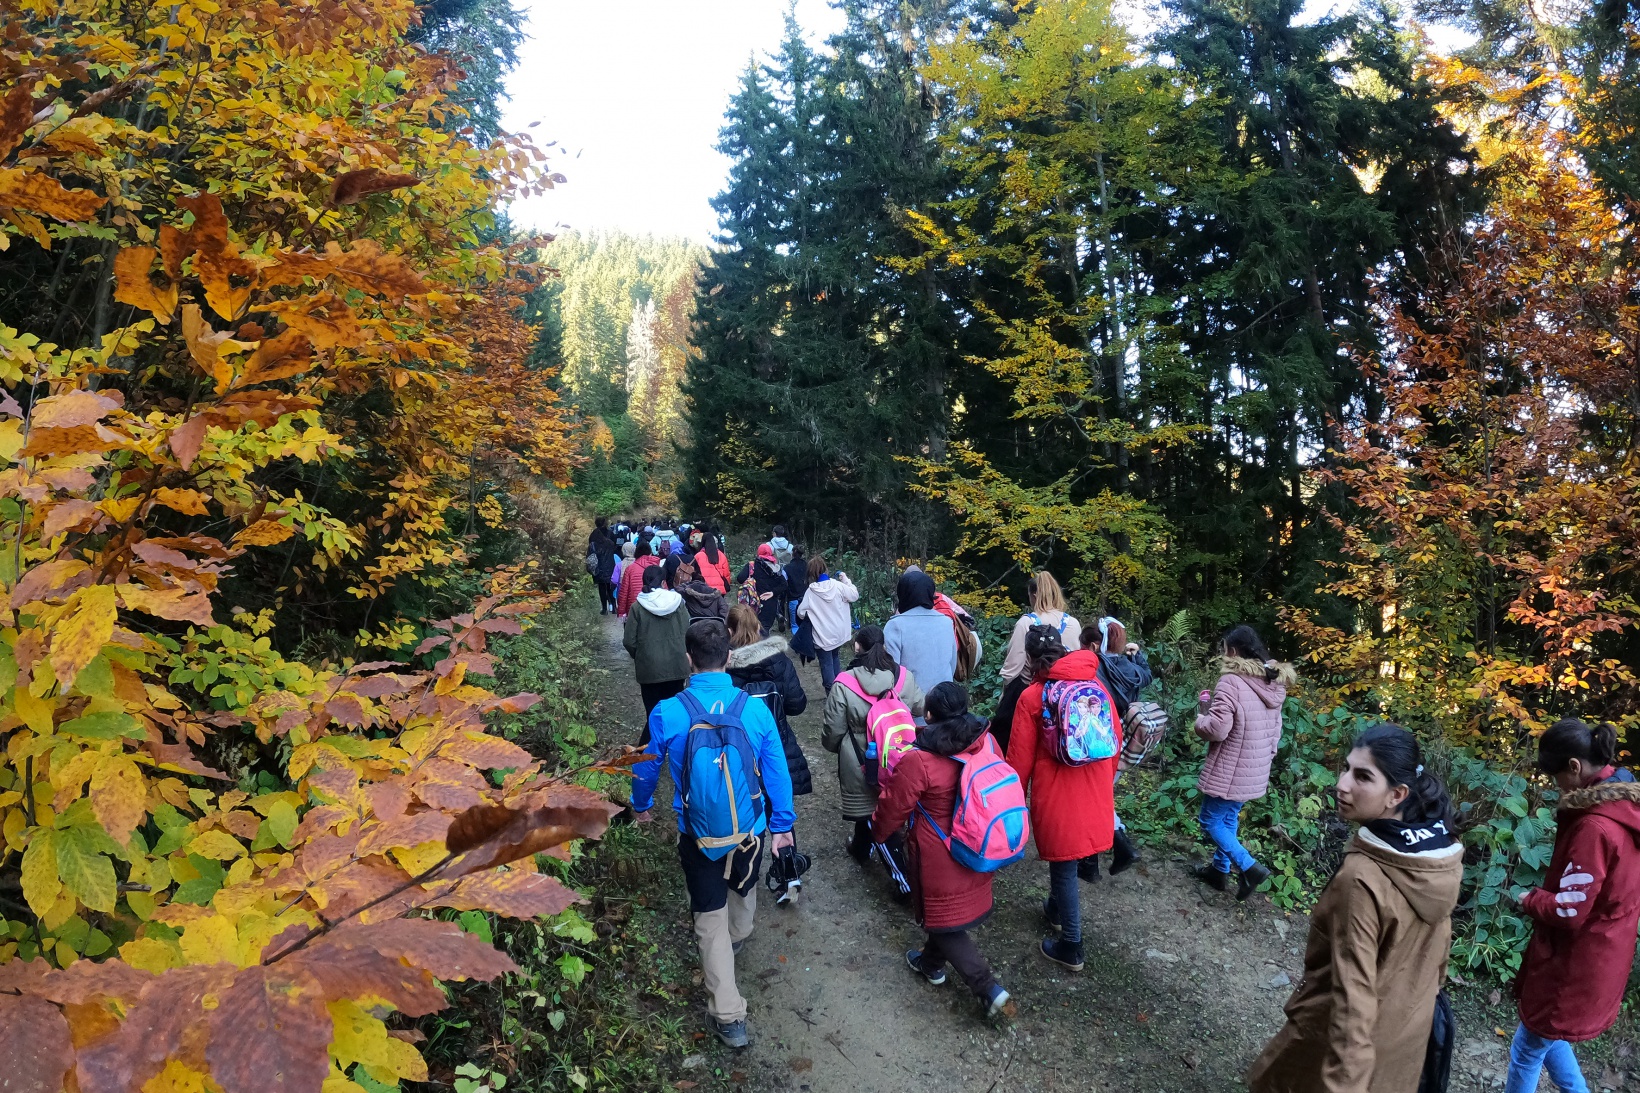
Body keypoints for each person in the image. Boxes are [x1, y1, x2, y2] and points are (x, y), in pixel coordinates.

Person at [1247, 724, 1464, 1093]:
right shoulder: (1441, 856)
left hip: (1342, 1047)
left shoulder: (1362, 877)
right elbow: (1439, 951)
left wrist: (1345, 1084)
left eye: (1362, 776)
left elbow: (1353, 995)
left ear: (1397, 794)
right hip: (1406, 1038)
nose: (1342, 784)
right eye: (1345, 769)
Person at [630, 621, 798, 1050]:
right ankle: (738, 936)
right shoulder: (755, 710)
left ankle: (729, 1016)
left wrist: (642, 806)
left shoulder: (668, 711)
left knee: (708, 915)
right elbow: (776, 771)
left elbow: (646, 767)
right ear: (728, 657)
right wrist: (783, 826)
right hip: (751, 830)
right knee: (743, 891)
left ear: (688, 659)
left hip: (697, 832)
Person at [1506, 719, 1640, 1093]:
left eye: (1556, 777)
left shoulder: (1595, 828)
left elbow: (1570, 911)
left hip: (1575, 961)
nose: (1556, 786)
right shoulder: (1628, 805)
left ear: (1575, 767)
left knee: (1527, 1049)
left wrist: (1531, 899)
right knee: (1548, 1034)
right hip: (1604, 950)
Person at [872, 682, 1012, 1018]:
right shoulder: (987, 741)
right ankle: (931, 963)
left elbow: (894, 807)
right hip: (979, 841)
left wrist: (877, 832)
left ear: (929, 715)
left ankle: (988, 988)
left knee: (940, 918)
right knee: (947, 913)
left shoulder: (919, 759)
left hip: (938, 851)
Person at [1007, 629, 1120, 972]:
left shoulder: (1032, 697)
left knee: (1064, 866)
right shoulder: (1096, 685)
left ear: (1029, 658)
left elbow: (1019, 760)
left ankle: (1071, 945)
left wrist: (1015, 799)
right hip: (1095, 784)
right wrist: (1106, 781)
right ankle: (1055, 911)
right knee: (1070, 856)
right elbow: (1113, 736)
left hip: (1057, 790)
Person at [1192, 624, 1295, 900]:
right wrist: (1267, 756)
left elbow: (1217, 729)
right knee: (1228, 817)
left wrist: (1200, 718)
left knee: (1210, 820)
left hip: (1231, 766)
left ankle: (1249, 867)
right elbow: (1277, 730)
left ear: (1233, 652)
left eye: (1225, 649)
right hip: (1256, 766)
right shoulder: (1273, 682)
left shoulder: (1231, 681)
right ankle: (1218, 870)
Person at [822, 624, 926, 862]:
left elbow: (834, 729)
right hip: (899, 753)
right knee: (891, 802)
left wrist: (836, 746)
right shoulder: (903, 676)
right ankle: (865, 847)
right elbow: (920, 706)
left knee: (867, 808)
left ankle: (877, 855)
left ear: (857, 647)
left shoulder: (843, 683)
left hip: (860, 757)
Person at [1081, 617, 1153, 879]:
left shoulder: (1096, 666)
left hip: (1098, 739)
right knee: (1099, 797)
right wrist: (1138, 657)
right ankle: (1093, 861)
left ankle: (1115, 850)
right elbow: (1146, 677)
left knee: (1093, 799)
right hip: (1123, 739)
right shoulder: (1131, 668)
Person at [726, 604, 813, 797]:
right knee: (781, 815)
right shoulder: (779, 661)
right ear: (758, 627)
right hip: (776, 740)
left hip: (737, 745)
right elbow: (797, 705)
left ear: (730, 631)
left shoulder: (722, 666)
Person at [623, 566, 690, 718]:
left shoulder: (637, 607)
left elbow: (629, 641)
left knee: (653, 715)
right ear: (664, 582)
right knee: (674, 713)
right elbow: (688, 631)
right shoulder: (678, 603)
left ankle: (651, 741)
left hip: (649, 668)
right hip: (676, 665)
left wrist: (642, 654)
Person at [990, 624, 1065, 755]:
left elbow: (1019, 751)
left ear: (1028, 657)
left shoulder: (1029, 696)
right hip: (1097, 769)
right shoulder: (1091, 682)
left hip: (1051, 771)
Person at [1000, 572, 1082, 683]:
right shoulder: (1073, 623)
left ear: (1034, 596)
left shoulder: (1027, 623)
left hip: (1034, 689)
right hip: (1066, 691)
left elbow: (1012, 669)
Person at [884, 569, 958, 692]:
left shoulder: (895, 626)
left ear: (902, 593)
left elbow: (891, 673)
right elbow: (952, 665)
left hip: (909, 704)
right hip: (943, 702)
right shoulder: (946, 623)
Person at [796, 555, 859, 694]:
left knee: (826, 663)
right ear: (825, 569)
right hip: (839, 633)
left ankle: (831, 693)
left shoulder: (811, 592)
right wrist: (845, 578)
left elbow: (801, 612)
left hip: (822, 636)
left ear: (811, 573)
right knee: (835, 657)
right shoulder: (838, 585)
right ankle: (840, 689)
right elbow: (854, 595)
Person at [737, 543, 788, 633]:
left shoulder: (752, 565)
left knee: (752, 631)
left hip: (753, 603)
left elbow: (740, 578)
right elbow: (784, 584)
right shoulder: (776, 568)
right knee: (765, 630)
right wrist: (773, 592)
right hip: (770, 604)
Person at [615, 539, 659, 619]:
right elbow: (664, 588)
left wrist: (621, 612)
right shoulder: (658, 568)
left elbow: (624, 591)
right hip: (654, 607)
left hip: (634, 608)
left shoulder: (630, 569)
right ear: (650, 553)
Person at [589, 519, 618, 615]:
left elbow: (590, 554)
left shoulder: (593, 539)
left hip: (599, 567)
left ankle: (604, 609)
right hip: (610, 565)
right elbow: (615, 548)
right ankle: (614, 606)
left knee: (601, 588)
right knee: (610, 587)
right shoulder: (610, 541)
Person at [694, 532, 732, 596]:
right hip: (719, 590)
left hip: (704, 589)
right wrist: (726, 585)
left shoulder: (698, 556)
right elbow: (726, 574)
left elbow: (695, 573)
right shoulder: (721, 555)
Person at [783, 546, 808, 633]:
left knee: (795, 625)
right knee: (806, 624)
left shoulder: (786, 568)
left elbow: (784, 584)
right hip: (807, 599)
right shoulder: (808, 566)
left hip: (793, 599)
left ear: (792, 554)